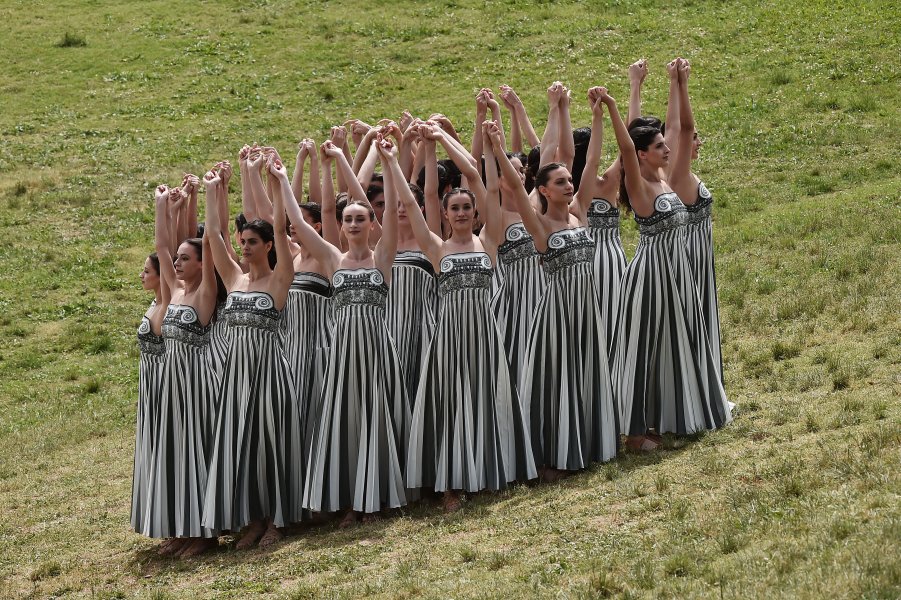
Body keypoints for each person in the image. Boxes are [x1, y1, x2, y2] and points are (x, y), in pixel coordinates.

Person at [403, 122, 535, 511]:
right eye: (454, 208)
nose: (461, 212)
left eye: (466, 207)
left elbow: (481, 180)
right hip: (448, 337)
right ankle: (450, 485)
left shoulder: (490, 238)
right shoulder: (435, 247)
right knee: (451, 404)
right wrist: (411, 155)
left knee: (488, 397)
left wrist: (451, 140)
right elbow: (417, 200)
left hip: (485, 332)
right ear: (444, 213)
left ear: (475, 212)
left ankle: (491, 470)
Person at [277, 138, 408, 526]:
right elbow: (299, 224)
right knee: (346, 421)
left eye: (359, 219)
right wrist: (284, 179)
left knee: (376, 418)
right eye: (347, 220)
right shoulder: (332, 258)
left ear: (371, 224)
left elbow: (398, 207)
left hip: (376, 348)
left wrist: (390, 161)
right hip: (342, 352)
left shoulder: (384, 255)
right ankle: (352, 500)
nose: (352, 224)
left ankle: (380, 497)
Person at [485, 116, 618, 482]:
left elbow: (588, 162)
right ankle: (545, 460)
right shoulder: (540, 226)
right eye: (560, 182)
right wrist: (496, 147)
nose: (569, 185)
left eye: (569, 181)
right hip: (556, 312)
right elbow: (513, 181)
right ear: (542, 190)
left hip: (586, 309)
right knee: (554, 382)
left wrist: (599, 114)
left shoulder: (579, 215)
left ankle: (587, 444)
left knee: (585, 373)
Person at [604, 85, 731, 451]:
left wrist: (678, 84)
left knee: (673, 346)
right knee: (643, 349)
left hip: (676, 276)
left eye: (664, 143)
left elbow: (681, 128)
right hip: (650, 277)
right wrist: (614, 106)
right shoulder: (638, 183)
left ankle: (667, 416)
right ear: (642, 155)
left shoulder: (664, 179)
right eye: (658, 146)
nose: (667, 148)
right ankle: (635, 434)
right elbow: (626, 147)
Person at [201, 159, 302, 549]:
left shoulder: (280, 279)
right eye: (242, 242)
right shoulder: (234, 279)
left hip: (270, 372)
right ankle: (254, 520)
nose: (244, 247)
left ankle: (277, 520)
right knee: (243, 442)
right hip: (236, 376)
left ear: (268, 246)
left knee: (270, 443)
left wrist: (276, 184)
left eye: (251, 242)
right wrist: (213, 191)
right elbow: (213, 235)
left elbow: (280, 226)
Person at [145, 185, 220, 557]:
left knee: (196, 453)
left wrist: (210, 192)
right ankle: (179, 527)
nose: (176, 263)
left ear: (200, 264)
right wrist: (162, 205)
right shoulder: (174, 292)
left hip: (197, 383)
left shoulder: (206, 292)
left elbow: (212, 241)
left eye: (184, 259)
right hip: (172, 384)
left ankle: (204, 534)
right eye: (176, 259)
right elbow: (161, 247)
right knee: (175, 454)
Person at [667, 58, 724, 386]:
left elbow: (675, 128)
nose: (697, 141)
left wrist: (674, 84)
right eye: (696, 138)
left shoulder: (674, 176)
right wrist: (682, 84)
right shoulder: (677, 176)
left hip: (697, 254)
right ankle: (701, 387)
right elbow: (680, 129)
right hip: (692, 257)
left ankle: (704, 384)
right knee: (697, 318)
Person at [569, 87, 627, 361]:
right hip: (612, 257)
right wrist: (634, 87)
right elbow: (628, 148)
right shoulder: (605, 184)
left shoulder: (568, 196)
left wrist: (561, 108)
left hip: (581, 262)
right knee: (616, 320)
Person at [131, 252, 166, 538]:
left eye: (146, 271)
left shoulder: (167, 302)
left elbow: (166, 248)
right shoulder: (155, 302)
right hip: (149, 383)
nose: (141, 275)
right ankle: (167, 527)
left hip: (163, 382)